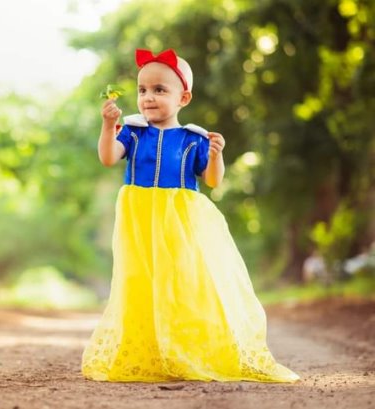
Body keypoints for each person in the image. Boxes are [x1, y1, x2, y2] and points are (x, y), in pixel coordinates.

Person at [81, 48, 299, 382]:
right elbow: (109, 157)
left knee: (181, 280)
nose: (148, 98)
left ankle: (185, 347)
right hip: (139, 217)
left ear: (183, 97)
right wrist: (108, 125)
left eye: (159, 90)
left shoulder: (192, 139)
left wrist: (216, 156)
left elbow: (212, 181)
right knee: (140, 279)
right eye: (142, 90)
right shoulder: (133, 132)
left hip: (180, 219)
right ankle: (149, 348)